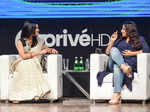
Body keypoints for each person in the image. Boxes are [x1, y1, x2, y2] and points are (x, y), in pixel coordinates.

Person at [9, 21, 58, 104]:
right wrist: (39, 53)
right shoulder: (20, 42)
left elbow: (47, 49)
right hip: (22, 63)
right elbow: (23, 56)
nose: (38, 30)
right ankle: (41, 90)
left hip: (36, 63)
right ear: (30, 30)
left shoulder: (39, 41)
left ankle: (19, 97)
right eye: (36, 28)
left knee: (31, 63)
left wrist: (51, 50)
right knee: (28, 63)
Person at [105, 21, 144, 104]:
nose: (121, 31)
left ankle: (116, 94)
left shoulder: (140, 39)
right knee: (113, 49)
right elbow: (108, 53)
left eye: (123, 29)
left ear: (129, 30)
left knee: (117, 67)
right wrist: (112, 41)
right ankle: (124, 67)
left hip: (129, 66)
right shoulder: (119, 41)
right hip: (114, 65)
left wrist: (132, 53)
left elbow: (145, 51)